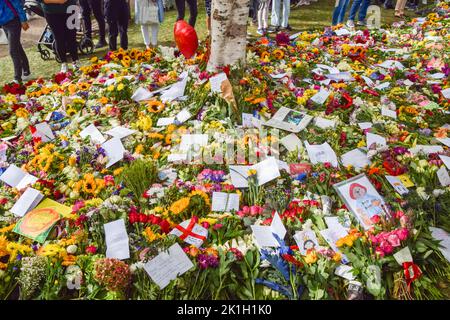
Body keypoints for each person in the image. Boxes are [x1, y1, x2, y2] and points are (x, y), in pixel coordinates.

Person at [38, 0, 80, 73]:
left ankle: (76, 61)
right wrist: (58, 1)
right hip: (51, 12)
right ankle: (64, 63)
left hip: (70, 9)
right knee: (58, 38)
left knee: (72, 36)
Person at [0, 0, 32, 83]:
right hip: (4, 23)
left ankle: (17, 77)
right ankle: (26, 71)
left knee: (13, 50)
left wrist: (23, 20)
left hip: (14, 21)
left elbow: (17, 4)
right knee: (17, 47)